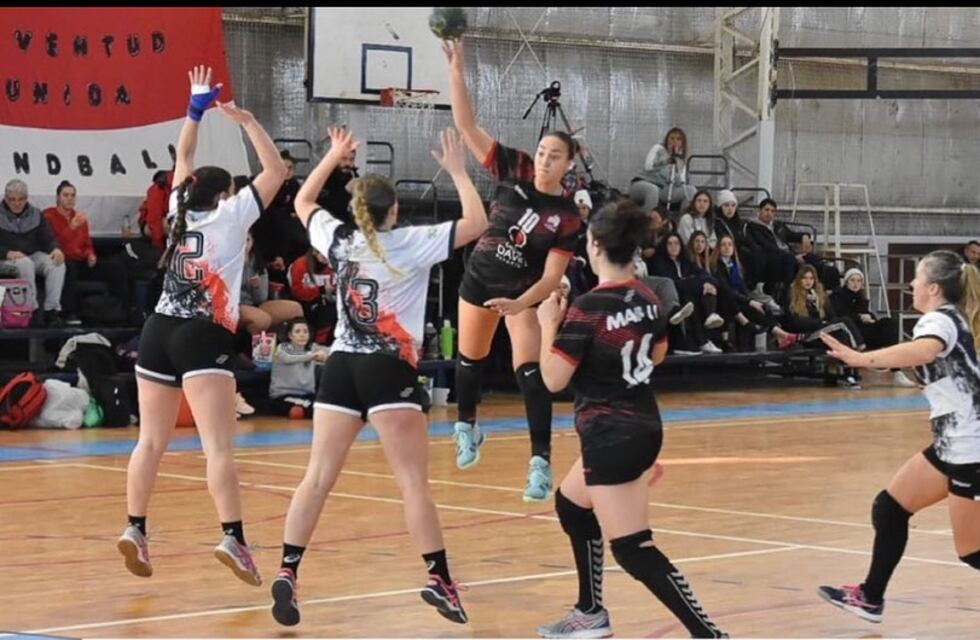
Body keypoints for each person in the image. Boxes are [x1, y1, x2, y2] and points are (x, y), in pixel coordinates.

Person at [270, 126, 487, 627]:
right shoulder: (411, 242)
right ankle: (439, 580)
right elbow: (476, 220)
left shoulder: (338, 239)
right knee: (413, 484)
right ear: (394, 211)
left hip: (341, 367)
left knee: (317, 478)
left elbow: (302, 199)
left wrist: (331, 156)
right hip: (389, 369)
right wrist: (457, 171)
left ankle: (288, 568)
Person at [119, 65, 287, 585]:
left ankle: (135, 528)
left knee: (150, 441)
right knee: (218, 447)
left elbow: (184, 156)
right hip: (202, 334)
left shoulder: (177, 209)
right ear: (224, 195)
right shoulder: (232, 215)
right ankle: (233, 538)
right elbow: (276, 170)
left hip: (158, 331)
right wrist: (248, 121)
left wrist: (195, 108)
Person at [535, 199, 728, 640]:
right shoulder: (647, 296)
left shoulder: (590, 306)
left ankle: (708, 634)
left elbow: (552, 379)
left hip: (611, 436)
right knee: (571, 504)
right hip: (639, 423)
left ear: (596, 245)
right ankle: (589, 611)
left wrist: (550, 324)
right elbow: (657, 353)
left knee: (633, 549)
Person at [443, 39, 583, 502]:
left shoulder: (566, 215)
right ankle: (467, 427)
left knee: (530, 374)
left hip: (522, 292)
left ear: (568, 164)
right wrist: (457, 68)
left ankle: (540, 462)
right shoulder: (515, 167)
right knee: (468, 362)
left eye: (554, 155)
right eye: (542, 151)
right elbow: (466, 124)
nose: (544, 159)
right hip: (479, 280)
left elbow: (550, 276)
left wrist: (520, 304)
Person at [817, 250, 980, 624]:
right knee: (889, 509)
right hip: (952, 443)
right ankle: (870, 598)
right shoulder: (950, 317)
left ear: (934, 288)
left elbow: (925, 350)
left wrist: (861, 360)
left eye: (917, 278)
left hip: (971, 448)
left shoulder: (938, 320)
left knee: (972, 551)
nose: (911, 284)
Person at [44, 180, 131, 325]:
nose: (70, 198)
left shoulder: (80, 218)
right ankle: (69, 313)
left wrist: (90, 254)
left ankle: (123, 311)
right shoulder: (48, 216)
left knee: (115, 268)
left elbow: (87, 243)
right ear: (58, 197)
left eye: (72, 195)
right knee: (69, 268)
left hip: (80, 261)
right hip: (61, 260)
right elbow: (52, 243)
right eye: (65, 195)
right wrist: (70, 228)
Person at [0, 178, 66, 326]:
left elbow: (47, 238)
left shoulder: (36, 214)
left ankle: (52, 311)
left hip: (31, 254)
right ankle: (31, 310)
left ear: (26, 198)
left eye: (21, 199)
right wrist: (8, 253)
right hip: (5, 259)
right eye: (12, 199)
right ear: (5, 198)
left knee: (57, 264)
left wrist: (56, 249)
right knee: (25, 264)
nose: (16, 203)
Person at [269, 317, 329, 419]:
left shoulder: (313, 348)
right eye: (297, 331)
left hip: (307, 394)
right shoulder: (283, 348)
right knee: (297, 411)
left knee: (329, 407)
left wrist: (327, 356)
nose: (302, 335)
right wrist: (312, 356)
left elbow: (332, 351)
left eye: (305, 332)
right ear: (290, 335)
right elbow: (289, 357)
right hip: (283, 395)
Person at [629, 127, 696, 214]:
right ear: (667, 139)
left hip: (663, 189)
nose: (674, 141)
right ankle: (647, 221)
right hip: (644, 183)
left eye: (678, 139)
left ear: (682, 143)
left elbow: (680, 183)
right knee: (653, 190)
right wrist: (667, 160)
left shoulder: (681, 161)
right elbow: (648, 166)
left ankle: (683, 221)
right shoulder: (658, 148)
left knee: (690, 190)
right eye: (671, 138)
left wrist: (676, 166)